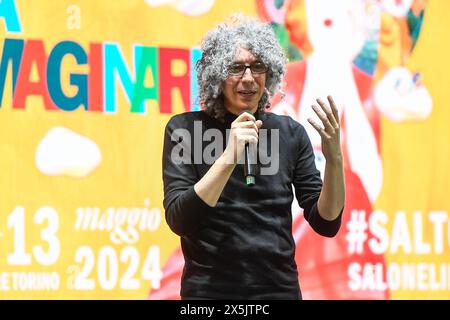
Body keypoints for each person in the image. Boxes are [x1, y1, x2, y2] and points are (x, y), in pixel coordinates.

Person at [162, 16, 345, 300]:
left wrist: (334, 161)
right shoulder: (185, 129)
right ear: (216, 74)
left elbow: (326, 222)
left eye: (257, 67)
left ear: (269, 73)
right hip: (209, 294)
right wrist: (229, 156)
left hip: (278, 291)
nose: (248, 78)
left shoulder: (290, 133)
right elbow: (179, 220)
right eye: (236, 68)